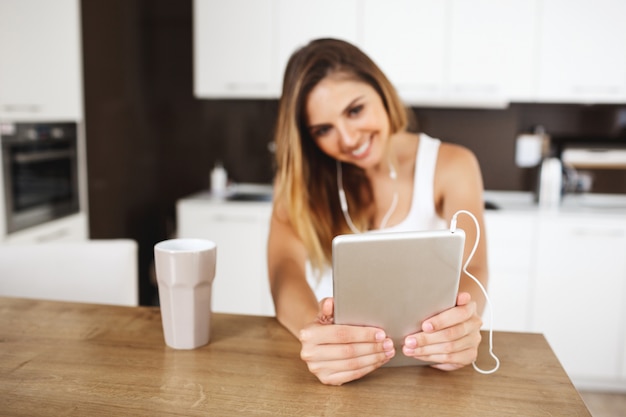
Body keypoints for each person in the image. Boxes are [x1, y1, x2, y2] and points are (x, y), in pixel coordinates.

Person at [267, 38, 488, 386]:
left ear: (382, 91)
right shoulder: (301, 181)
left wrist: (456, 329)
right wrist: (321, 337)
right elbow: (284, 272)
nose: (348, 138)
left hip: (424, 369)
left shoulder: (452, 164)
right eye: (323, 130)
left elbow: (472, 268)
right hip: (337, 374)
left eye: (355, 110)